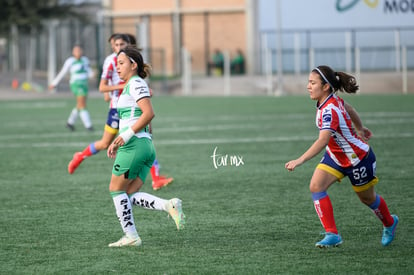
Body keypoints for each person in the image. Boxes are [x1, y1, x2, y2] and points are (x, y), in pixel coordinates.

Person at [285, 65, 398, 248]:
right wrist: (360, 128)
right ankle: (332, 234)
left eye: (312, 83)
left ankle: (390, 223)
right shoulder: (330, 101)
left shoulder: (329, 110)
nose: (308, 86)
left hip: (358, 159)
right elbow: (350, 109)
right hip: (336, 157)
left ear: (325, 87)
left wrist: (299, 160)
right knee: (316, 186)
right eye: (308, 82)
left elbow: (322, 141)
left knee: (367, 199)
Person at [67, 34, 173, 191]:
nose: (119, 47)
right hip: (117, 109)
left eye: (122, 44)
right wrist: (122, 88)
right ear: (112, 46)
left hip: (133, 107)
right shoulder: (110, 62)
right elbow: (103, 87)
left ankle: (155, 178)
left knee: (145, 137)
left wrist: (143, 91)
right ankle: (81, 156)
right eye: (116, 45)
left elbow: (137, 85)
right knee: (105, 143)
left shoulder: (131, 61)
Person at [106, 45, 185, 247]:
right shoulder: (132, 84)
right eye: (117, 64)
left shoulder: (135, 83)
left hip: (134, 146)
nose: (118, 68)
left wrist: (125, 136)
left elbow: (149, 113)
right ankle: (169, 205)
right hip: (143, 146)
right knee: (129, 194)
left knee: (116, 190)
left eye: (121, 63)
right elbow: (145, 118)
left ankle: (131, 236)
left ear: (133, 65)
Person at [49, 44, 94, 131]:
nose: (78, 52)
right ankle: (89, 126)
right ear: (73, 52)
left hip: (84, 84)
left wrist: (92, 74)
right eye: (76, 50)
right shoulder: (70, 61)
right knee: (82, 105)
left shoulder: (85, 60)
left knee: (80, 104)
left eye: (79, 50)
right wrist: (54, 83)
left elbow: (89, 72)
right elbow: (62, 72)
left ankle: (70, 123)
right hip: (76, 85)